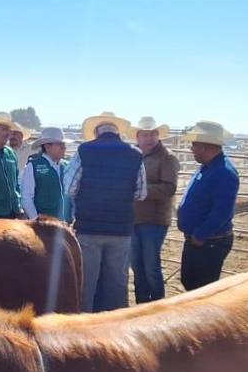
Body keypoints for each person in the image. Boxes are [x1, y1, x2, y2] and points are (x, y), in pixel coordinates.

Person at [63, 112, 147, 312]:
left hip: (89, 226)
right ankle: (114, 325)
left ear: (96, 132)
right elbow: (141, 193)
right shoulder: (135, 154)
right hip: (121, 227)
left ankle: (84, 324)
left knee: (87, 282)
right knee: (117, 282)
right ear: (117, 132)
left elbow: (70, 187)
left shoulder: (84, 150)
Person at [177, 121, 239, 291]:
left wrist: (201, 234)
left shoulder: (223, 172)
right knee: (191, 283)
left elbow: (223, 211)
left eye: (194, 145)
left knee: (202, 288)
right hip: (201, 239)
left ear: (204, 147)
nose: (191, 149)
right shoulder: (209, 168)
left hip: (209, 241)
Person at [130, 116, 179, 303]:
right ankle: (142, 304)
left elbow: (169, 188)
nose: (149, 138)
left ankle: (158, 304)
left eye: (153, 134)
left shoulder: (167, 158)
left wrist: (140, 190)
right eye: (145, 134)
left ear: (158, 136)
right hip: (135, 218)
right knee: (137, 265)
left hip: (155, 220)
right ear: (138, 136)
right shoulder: (136, 156)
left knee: (150, 266)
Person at [20, 127, 72, 222]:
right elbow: (26, 197)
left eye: (63, 144)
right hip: (45, 226)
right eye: (60, 144)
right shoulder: (33, 166)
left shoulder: (67, 166)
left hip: (66, 223)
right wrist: (36, 220)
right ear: (47, 146)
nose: (64, 147)